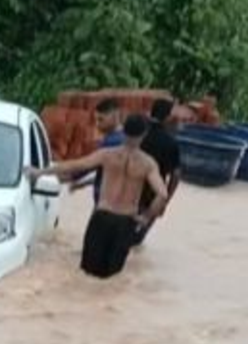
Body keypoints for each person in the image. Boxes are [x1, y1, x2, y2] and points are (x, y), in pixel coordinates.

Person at [27, 115, 168, 279]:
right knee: (112, 278)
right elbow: (162, 194)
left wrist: (39, 172)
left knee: (87, 273)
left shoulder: (107, 155)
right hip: (126, 222)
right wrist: (146, 217)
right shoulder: (148, 164)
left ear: (123, 130)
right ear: (144, 134)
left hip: (102, 217)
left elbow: (75, 164)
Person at [135, 99, 182, 245]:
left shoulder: (137, 132)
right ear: (168, 118)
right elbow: (176, 175)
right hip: (152, 195)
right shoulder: (171, 143)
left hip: (128, 189)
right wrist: (165, 202)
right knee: (137, 239)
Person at [69, 99, 125, 204]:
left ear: (115, 116)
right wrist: (83, 183)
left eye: (101, 120)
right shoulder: (123, 138)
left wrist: (67, 175)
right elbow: (107, 173)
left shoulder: (113, 141)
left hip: (107, 201)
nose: (98, 125)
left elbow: (88, 166)